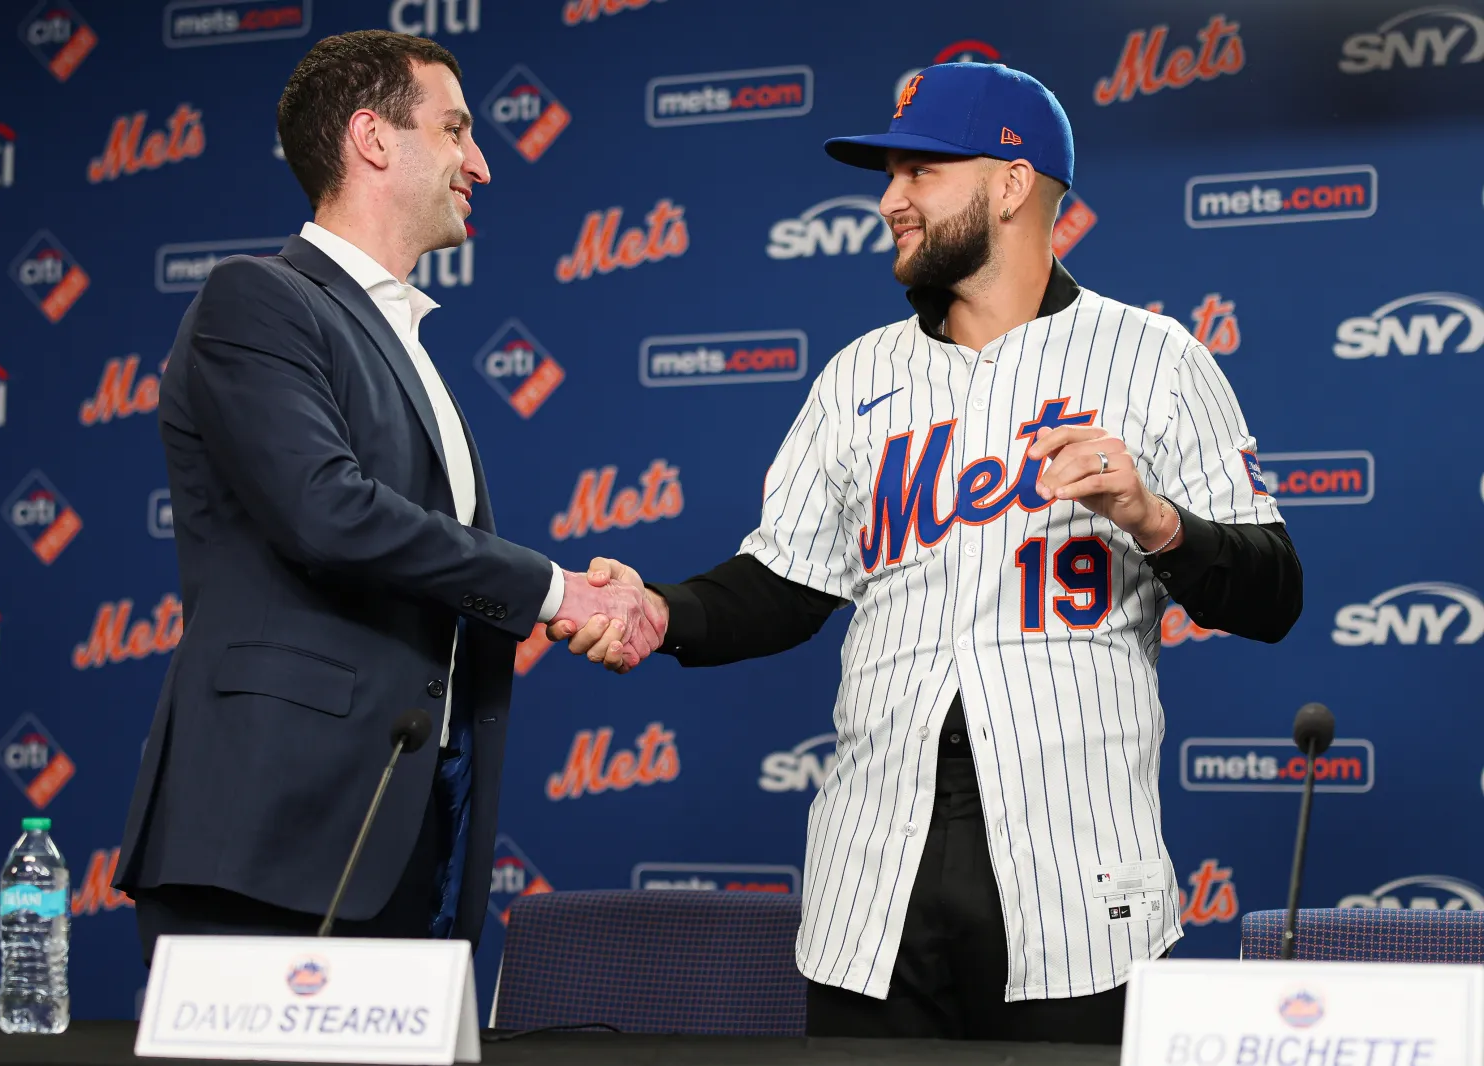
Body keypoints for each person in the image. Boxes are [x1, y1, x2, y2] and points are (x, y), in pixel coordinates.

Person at [549, 62, 1302, 1042]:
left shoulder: (1155, 361)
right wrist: (664, 608)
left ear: (1009, 181)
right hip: (874, 883)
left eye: (920, 171)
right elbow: (785, 578)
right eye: (887, 175)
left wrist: (1150, 514)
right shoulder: (859, 375)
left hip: (1077, 885)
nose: (889, 201)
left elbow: (1272, 591)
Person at [114, 30, 656, 962]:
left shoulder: (401, 338)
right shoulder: (259, 298)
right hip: (270, 832)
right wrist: (564, 593)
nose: (480, 163)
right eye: (455, 130)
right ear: (372, 139)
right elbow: (328, 513)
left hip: (407, 825)